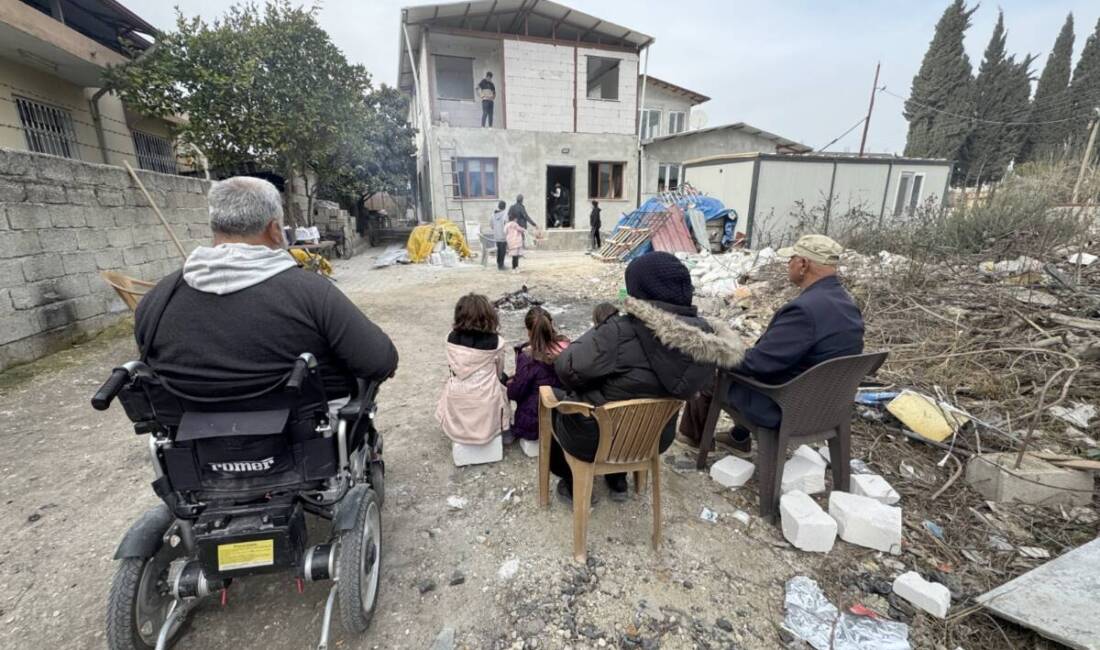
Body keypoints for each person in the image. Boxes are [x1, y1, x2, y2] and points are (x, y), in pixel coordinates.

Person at [135, 176, 398, 400]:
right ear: (274, 230)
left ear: (215, 228)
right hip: (304, 441)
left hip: (194, 447)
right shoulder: (312, 293)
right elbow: (379, 361)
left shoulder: (158, 299)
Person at [551, 252, 746, 502]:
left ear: (638, 290)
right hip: (654, 439)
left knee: (555, 401)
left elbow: (566, 368)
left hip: (596, 439)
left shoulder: (619, 330)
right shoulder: (708, 341)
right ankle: (618, 480)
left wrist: (599, 332)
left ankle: (571, 481)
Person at [678, 234, 865, 454]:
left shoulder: (804, 310)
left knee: (711, 371)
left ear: (803, 264)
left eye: (791, 259)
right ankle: (738, 437)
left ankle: (694, 438)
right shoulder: (847, 303)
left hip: (785, 406)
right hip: (828, 405)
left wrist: (718, 353)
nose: (788, 264)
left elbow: (760, 364)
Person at [436, 294, 511, 445]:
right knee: (503, 381)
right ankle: (504, 428)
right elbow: (498, 372)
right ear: (488, 316)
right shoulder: (497, 342)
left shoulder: (450, 338)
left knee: (452, 384)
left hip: (457, 395)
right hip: (485, 399)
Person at [506, 306, 570, 443]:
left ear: (529, 331)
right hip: (563, 415)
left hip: (534, 422)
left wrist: (510, 383)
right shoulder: (567, 346)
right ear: (551, 324)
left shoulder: (528, 357)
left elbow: (516, 393)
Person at [491, 200, 508, 271]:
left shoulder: (493, 214)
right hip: (503, 236)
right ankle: (502, 265)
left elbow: (491, 225)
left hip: (496, 235)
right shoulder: (505, 214)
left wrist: (495, 229)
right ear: (505, 207)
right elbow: (506, 224)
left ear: (498, 206)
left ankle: (499, 264)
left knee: (498, 250)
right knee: (503, 251)